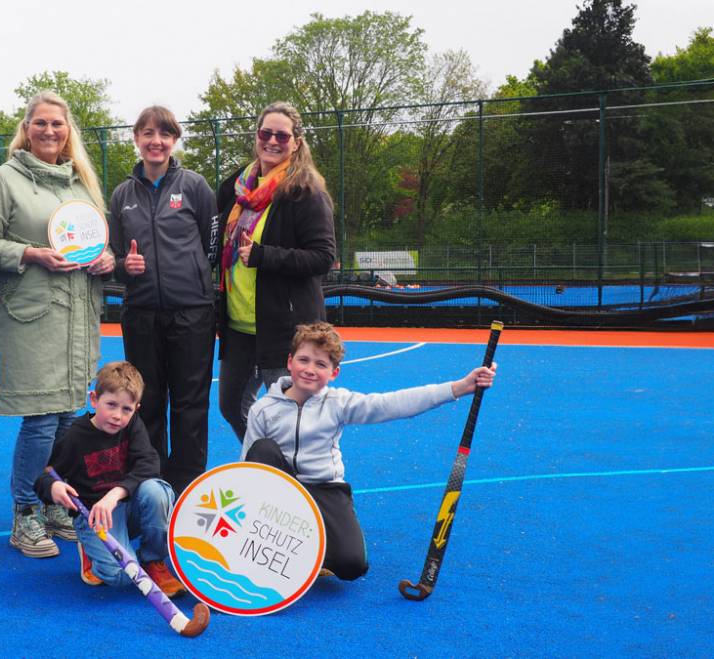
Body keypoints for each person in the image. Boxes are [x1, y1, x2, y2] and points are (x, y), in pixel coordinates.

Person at [241, 322, 498, 581]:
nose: (309, 369)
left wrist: (459, 387)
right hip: (283, 490)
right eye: (303, 360)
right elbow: (246, 468)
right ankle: (270, 538)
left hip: (324, 490)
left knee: (351, 566)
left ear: (334, 373)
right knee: (262, 450)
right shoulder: (263, 409)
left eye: (320, 364)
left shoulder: (337, 403)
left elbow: (391, 404)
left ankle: (308, 547)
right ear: (290, 361)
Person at [0, 91, 115, 559]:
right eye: (40, 123)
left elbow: (95, 244)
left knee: (68, 419)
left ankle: (56, 505)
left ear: (68, 130)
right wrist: (31, 254)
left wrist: (106, 259)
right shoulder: (4, 179)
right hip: (31, 318)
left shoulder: (81, 183)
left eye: (57, 123)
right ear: (26, 128)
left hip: (78, 317)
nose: (50, 131)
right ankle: (25, 512)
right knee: (40, 420)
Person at [108, 106, 218, 497]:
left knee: (190, 405)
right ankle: (151, 489)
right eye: (148, 133)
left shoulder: (195, 186)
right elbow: (113, 258)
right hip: (141, 314)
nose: (156, 141)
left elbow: (211, 247)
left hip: (192, 313)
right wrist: (126, 266)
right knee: (146, 401)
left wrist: (190, 279)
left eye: (165, 134)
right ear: (136, 138)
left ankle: (185, 490)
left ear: (174, 140)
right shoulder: (122, 194)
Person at [216, 101, 337, 441]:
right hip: (238, 326)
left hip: (284, 328)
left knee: (292, 418)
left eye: (281, 136)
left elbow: (323, 257)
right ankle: (266, 463)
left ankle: (290, 471)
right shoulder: (236, 188)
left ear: (296, 142)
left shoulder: (305, 192)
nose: (272, 141)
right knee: (232, 406)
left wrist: (263, 255)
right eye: (265, 133)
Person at [34, 361, 184, 596]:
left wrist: (115, 494)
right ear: (94, 399)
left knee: (157, 491)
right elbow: (43, 478)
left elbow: (150, 464)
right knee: (122, 576)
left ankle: (153, 560)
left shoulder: (132, 425)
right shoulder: (75, 436)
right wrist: (54, 487)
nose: (117, 416)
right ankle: (90, 549)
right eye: (111, 405)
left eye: (126, 409)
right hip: (96, 518)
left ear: (136, 409)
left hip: (127, 506)